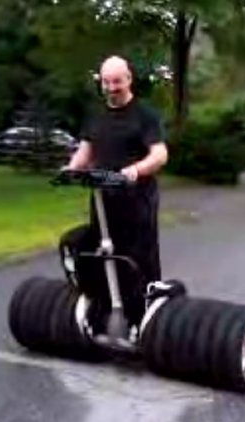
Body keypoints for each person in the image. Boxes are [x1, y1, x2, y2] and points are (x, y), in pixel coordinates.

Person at [64, 55, 169, 331]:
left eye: (117, 82)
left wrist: (136, 169)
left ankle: (143, 321)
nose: (112, 88)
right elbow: (86, 150)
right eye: (107, 82)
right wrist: (72, 169)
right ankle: (99, 314)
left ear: (129, 79)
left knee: (136, 259)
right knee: (97, 252)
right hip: (103, 198)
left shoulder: (145, 115)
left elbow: (160, 154)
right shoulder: (96, 115)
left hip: (137, 200)